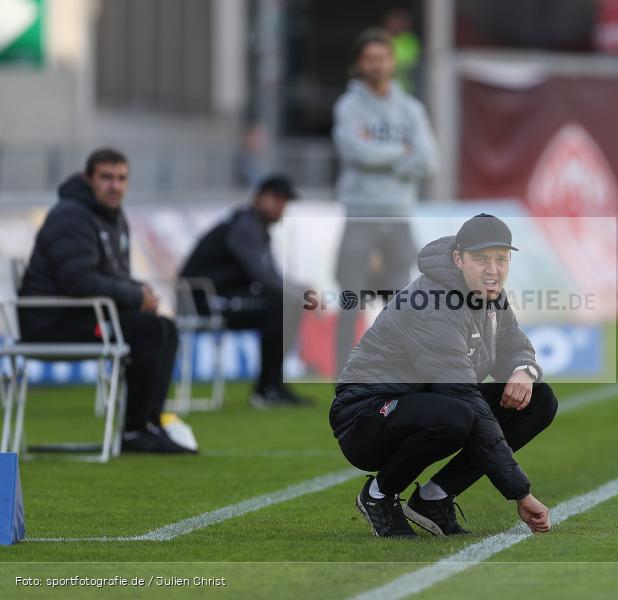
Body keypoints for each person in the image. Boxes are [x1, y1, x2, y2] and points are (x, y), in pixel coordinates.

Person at [330, 214, 557, 538]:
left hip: (426, 403)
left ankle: (433, 498)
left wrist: (524, 371)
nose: (493, 269)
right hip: (365, 417)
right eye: (481, 259)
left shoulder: (490, 295)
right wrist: (520, 493)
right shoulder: (433, 304)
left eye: (501, 259)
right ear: (458, 259)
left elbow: (514, 347)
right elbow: (465, 398)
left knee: (539, 400)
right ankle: (378, 495)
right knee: (459, 414)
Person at [18, 148, 194, 454]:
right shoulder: (70, 214)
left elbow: (114, 274)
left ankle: (150, 424)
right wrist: (134, 295)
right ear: (90, 179)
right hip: (50, 322)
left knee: (164, 327)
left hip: (84, 315)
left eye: (121, 178)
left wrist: (141, 291)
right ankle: (134, 431)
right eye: (107, 178)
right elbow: (77, 280)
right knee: (148, 330)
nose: (115, 186)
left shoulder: (112, 217)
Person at [332, 27, 439, 373]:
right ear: (359, 64)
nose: (376, 65)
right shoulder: (348, 106)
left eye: (382, 58)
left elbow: (430, 161)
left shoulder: (410, 108)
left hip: (398, 216)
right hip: (361, 215)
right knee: (351, 298)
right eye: (370, 59)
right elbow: (356, 152)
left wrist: (381, 154)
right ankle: (344, 375)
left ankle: (398, 370)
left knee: (400, 300)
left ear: (392, 62)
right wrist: (402, 152)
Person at [180, 174, 312, 409]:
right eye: (277, 199)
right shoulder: (245, 226)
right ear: (259, 198)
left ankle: (272, 385)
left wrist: (299, 291)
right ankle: (267, 388)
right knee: (281, 304)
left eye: (285, 201)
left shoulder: (257, 228)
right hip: (203, 300)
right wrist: (297, 294)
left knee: (286, 303)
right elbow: (260, 275)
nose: (282, 206)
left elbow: (272, 275)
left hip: (222, 296)